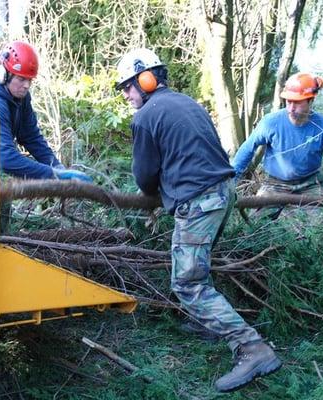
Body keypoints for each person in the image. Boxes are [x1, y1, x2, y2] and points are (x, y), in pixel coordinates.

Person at [115, 48, 282, 392]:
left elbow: (145, 176)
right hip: (224, 192)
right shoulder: (188, 103)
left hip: (199, 203)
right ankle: (212, 322)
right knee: (199, 269)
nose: (127, 94)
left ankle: (252, 348)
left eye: (128, 86)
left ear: (147, 80)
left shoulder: (145, 117)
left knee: (188, 283)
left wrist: (156, 193)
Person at [233, 72, 323, 212]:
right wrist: (230, 184)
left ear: (311, 100)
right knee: (259, 224)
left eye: (297, 103)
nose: (291, 108)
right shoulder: (270, 123)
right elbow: (247, 149)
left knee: (318, 230)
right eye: (289, 101)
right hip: (275, 184)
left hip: (310, 185)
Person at [0, 40, 92, 192]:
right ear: (3, 75)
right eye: (21, 79)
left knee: (0, 208)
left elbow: (30, 136)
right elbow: (7, 159)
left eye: (30, 80)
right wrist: (54, 175)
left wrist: (56, 166)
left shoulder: (19, 97)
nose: (26, 85)